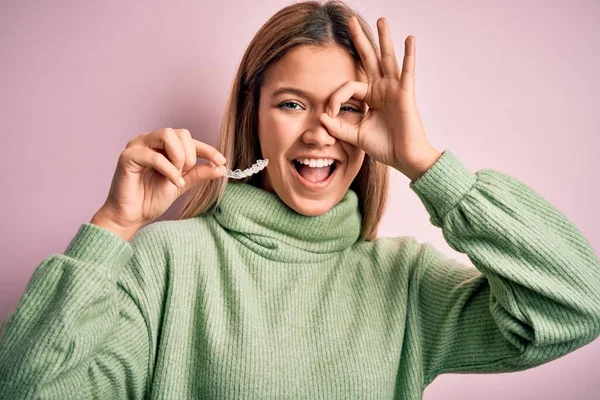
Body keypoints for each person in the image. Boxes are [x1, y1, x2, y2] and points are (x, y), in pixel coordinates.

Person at [1, 1, 599, 399]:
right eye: (291, 103)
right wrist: (113, 226)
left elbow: (577, 307)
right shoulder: (167, 263)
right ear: (254, 116)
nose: (319, 132)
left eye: (348, 107)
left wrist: (427, 165)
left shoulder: (407, 283)